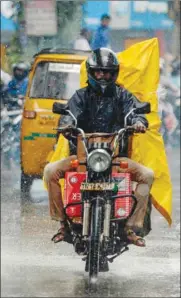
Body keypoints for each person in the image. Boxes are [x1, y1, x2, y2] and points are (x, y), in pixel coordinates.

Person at [44, 48, 154, 247]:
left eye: (108, 72)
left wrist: (139, 122)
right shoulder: (80, 96)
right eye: (99, 72)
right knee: (50, 171)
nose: (104, 76)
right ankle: (62, 224)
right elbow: (70, 113)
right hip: (82, 159)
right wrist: (66, 124)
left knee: (147, 175)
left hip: (116, 160)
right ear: (91, 72)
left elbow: (133, 113)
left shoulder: (123, 95)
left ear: (115, 73)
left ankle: (131, 227)